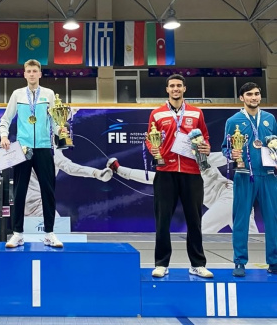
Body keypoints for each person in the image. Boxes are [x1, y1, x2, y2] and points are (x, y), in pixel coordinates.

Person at [146, 74, 213, 278]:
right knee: (162, 220)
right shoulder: (157, 114)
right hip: (165, 171)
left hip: (191, 172)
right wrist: (153, 149)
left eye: (179, 86)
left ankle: (197, 264)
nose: (175, 89)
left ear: (184, 89)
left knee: (194, 220)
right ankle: (161, 264)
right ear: (167, 89)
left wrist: (206, 147)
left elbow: (205, 137)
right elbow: (150, 138)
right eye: (172, 86)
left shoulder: (196, 112)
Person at [107, 152, 258, 234]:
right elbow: (149, 177)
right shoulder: (175, 174)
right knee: (251, 240)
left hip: (231, 196)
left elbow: (227, 156)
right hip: (229, 203)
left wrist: (240, 153)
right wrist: (119, 170)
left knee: (201, 231)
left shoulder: (201, 158)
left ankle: (198, 264)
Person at [0, 59, 64, 248]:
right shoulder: (17, 94)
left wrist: (61, 131)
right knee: (19, 192)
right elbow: (6, 118)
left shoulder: (49, 94)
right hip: (23, 148)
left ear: (40, 74)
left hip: (44, 147)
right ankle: (17, 234)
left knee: (48, 191)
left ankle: (49, 233)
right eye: (29, 71)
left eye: (35, 71)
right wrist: (4, 135)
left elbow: (55, 121)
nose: (32, 74)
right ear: (24, 74)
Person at [222, 82, 277, 277]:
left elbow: (274, 144)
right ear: (242, 98)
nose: (254, 97)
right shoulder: (233, 121)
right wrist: (231, 153)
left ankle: (274, 261)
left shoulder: (270, 119)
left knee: (273, 220)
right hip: (244, 175)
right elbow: (225, 148)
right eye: (249, 94)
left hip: (268, 176)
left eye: (256, 94)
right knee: (241, 220)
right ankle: (239, 262)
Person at [24, 148, 113, 217]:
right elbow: (70, 168)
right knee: (57, 230)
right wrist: (96, 173)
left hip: (24, 203)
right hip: (37, 205)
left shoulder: (31, 146)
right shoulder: (52, 151)